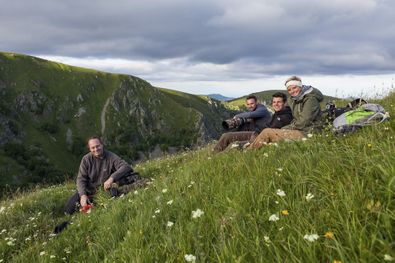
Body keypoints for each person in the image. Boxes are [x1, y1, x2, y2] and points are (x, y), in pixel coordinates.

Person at [63, 136, 146, 215]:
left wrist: (111, 178)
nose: (96, 149)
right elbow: (81, 179)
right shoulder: (86, 159)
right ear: (89, 149)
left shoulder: (110, 156)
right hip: (88, 190)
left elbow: (126, 167)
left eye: (97, 146)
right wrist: (83, 195)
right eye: (93, 147)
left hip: (105, 190)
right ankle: (87, 203)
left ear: (102, 145)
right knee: (68, 210)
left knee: (112, 194)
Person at [249, 76, 324, 149]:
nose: (292, 91)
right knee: (268, 134)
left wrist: (287, 129)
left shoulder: (310, 100)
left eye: (294, 87)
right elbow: (296, 120)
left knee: (267, 132)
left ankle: (247, 152)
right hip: (300, 130)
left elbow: (304, 121)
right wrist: (284, 129)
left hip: (310, 133)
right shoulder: (295, 100)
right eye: (289, 90)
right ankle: (249, 149)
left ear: (300, 86)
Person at [214, 92, 292, 152]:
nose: (276, 104)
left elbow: (253, 115)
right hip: (256, 133)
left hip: (260, 136)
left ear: (284, 103)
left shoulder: (263, 109)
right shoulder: (277, 114)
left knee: (234, 145)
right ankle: (212, 155)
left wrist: (237, 116)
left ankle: (217, 159)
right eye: (274, 102)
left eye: (279, 102)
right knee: (226, 136)